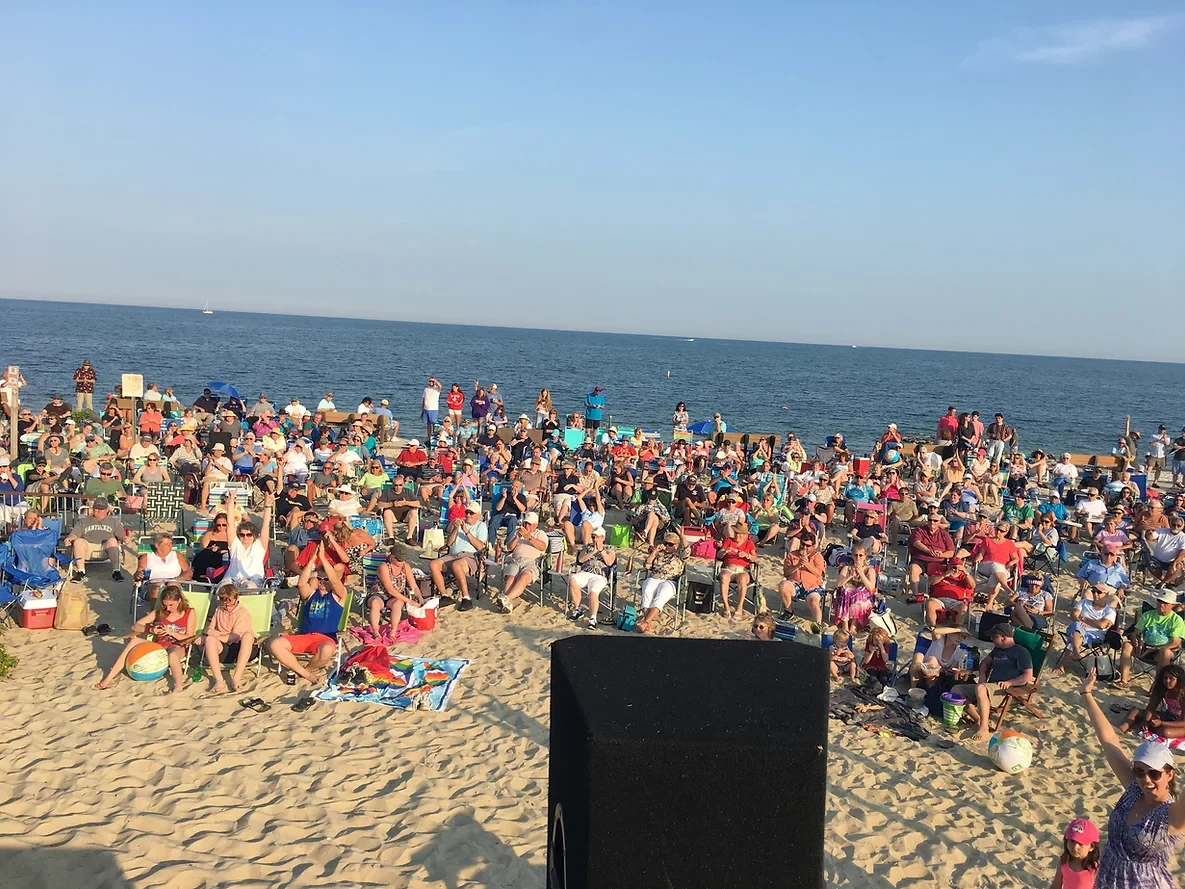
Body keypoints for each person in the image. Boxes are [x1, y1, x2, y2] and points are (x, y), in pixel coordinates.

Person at [1078, 669, 1185, 887]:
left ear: (1169, 774)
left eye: (1154, 773)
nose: (1146, 779)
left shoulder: (1171, 816)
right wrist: (1086, 694)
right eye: (1140, 771)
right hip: (1107, 881)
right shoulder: (1134, 790)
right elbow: (1108, 740)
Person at [95, 583, 196, 693]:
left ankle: (178, 686)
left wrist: (170, 632)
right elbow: (135, 626)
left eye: (171, 605)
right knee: (134, 640)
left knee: (172, 655)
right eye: (165, 605)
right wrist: (151, 629)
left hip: (177, 645)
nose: (167, 608)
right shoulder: (159, 613)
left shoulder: (189, 612)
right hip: (159, 646)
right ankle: (109, 678)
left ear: (179, 601)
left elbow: (190, 637)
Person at [952, 623, 1034, 741]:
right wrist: (982, 678)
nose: (991, 639)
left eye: (994, 636)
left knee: (981, 689)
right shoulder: (997, 650)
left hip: (1007, 691)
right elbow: (984, 664)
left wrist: (1010, 683)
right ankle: (979, 719)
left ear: (1004, 637)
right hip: (990, 688)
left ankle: (984, 728)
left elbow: (1028, 676)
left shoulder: (1021, 652)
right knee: (956, 690)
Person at [428, 501, 487, 611]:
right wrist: (455, 529)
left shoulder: (481, 526)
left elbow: (480, 546)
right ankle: (445, 596)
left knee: (457, 565)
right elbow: (449, 543)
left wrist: (466, 531)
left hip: (470, 556)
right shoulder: (459, 523)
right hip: (453, 555)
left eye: (471, 513)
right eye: (467, 512)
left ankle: (466, 598)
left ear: (478, 515)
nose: (468, 515)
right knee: (433, 564)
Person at [1117, 592, 1185, 687]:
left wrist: (1157, 649)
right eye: (1159, 601)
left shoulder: (1177, 620)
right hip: (1145, 647)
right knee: (1127, 645)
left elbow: (1176, 643)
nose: (1161, 604)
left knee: (1165, 652)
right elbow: (1136, 633)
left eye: (1165, 603)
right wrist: (1135, 639)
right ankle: (1123, 681)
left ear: (1172, 605)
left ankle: (1158, 686)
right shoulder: (1148, 615)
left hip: (1163, 651)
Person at [201, 583, 256, 694]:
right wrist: (215, 635)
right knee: (209, 639)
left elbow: (236, 636)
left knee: (248, 637)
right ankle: (219, 680)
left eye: (230, 602)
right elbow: (209, 629)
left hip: (241, 648)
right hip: (224, 648)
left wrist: (217, 635)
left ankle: (236, 678)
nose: (227, 606)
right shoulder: (219, 610)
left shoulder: (243, 612)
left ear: (237, 598)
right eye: (224, 603)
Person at [1053, 583, 1118, 674]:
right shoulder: (1084, 602)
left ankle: (1065, 663)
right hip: (1078, 630)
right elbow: (1073, 615)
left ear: (1106, 594)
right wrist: (1080, 622)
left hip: (1095, 636)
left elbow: (1102, 625)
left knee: (1074, 634)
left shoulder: (1110, 610)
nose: (1095, 594)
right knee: (1076, 626)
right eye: (1093, 591)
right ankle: (1076, 651)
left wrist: (1083, 619)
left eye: (1099, 592)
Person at [636, 529, 690, 634]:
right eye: (665, 543)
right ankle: (647, 623)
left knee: (662, 593)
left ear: (676, 545)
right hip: (655, 577)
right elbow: (647, 565)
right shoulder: (659, 554)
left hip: (670, 580)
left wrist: (682, 537)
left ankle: (646, 621)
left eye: (670, 544)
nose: (667, 546)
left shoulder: (679, 555)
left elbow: (687, 550)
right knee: (647, 590)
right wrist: (655, 551)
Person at [364, 545, 422, 639]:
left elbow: (414, 586)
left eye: (403, 559)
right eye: (400, 560)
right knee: (375, 603)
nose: (402, 562)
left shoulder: (406, 566)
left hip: (396, 597)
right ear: (392, 557)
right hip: (379, 594)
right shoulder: (384, 567)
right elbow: (390, 590)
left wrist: (420, 597)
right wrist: (409, 601)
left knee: (398, 603)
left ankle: (393, 631)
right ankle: (375, 631)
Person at [496, 511, 548, 613]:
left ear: (535, 525)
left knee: (523, 577)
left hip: (532, 561)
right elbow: (509, 547)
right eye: (525, 523)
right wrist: (517, 537)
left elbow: (542, 547)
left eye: (529, 524)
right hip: (516, 560)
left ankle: (506, 598)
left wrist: (529, 537)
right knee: (510, 577)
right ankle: (509, 603)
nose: (526, 526)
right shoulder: (518, 533)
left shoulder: (540, 533)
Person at [64, 496, 125, 582]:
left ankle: (116, 572)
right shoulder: (83, 521)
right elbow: (74, 534)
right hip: (87, 548)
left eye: (101, 509)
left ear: (107, 509)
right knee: (78, 541)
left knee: (113, 541)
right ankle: (81, 572)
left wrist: (125, 538)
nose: (97, 511)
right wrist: (69, 539)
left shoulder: (114, 521)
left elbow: (122, 536)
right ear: (93, 508)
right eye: (96, 508)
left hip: (105, 549)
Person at [567, 527, 617, 630]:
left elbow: (609, 562)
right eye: (593, 537)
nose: (594, 540)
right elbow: (580, 560)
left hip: (600, 575)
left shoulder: (609, 549)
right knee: (572, 579)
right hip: (586, 572)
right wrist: (593, 552)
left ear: (602, 538)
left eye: (596, 537)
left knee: (593, 592)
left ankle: (593, 619)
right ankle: (578, 609)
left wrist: (601, 551)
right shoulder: (588, 547)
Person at [1118, 665, 1185, 739]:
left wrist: (1161, 723)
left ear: (1179, 680)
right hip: (1168, 715)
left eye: (1171, 678)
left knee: (1166, 732)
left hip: (1181, 722)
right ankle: (1121, 729)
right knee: (1135, 711)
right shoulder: (1163, 689)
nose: (1167, 681)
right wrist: (1146, 721)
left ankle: (1157, 726)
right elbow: (1151, 707)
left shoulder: (1182, 694)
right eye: (1165, 678)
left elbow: (1183, 722)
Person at [223, 493, 273, 588]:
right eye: (242, 535)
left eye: (249, 535)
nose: (245, 537)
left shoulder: (259, 545)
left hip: (253, 581)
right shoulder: (235, 545)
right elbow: (230, 523)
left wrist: (268, 506)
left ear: (254, 536)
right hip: (232, 580)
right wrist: (231, 502)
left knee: (249, 586)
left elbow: (265, 526)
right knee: (223, 588)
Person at [777, 534, 826, 625]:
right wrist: (798, 565)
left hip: (812, 586)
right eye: (803, 544)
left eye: (808, 545)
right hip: (796, 584)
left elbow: (819, 573)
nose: (804, 547)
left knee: (813, 602)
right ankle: (788, 611)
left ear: (813, 546)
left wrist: (807, 564)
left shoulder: (817, 556)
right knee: (783, 585)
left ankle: (818, 625)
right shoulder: (792, 555)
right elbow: (786, 573)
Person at [134, 532, 192, 604]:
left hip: (173, 584)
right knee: (158, 587)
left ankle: (173, 613)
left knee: (173, 585)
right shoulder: (146, 557)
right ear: (157, 545)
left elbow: (188, 571)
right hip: (151, 586)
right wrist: (139, 575)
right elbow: (138, 573)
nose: (170, 546)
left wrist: (180, 578)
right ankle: (156, 613)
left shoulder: (177, 555)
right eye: (167, 544)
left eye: (171, 543)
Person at [908, 511, 955, 598]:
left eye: (935, 521)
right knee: (914, 568)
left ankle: (937, 594)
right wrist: (929, 551)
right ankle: (915, 594)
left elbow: (951, 552)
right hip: (921, 559)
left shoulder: (944, 534)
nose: (932, 522)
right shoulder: (920, 530)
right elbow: (916, 542)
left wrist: (941, 555)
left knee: (944, 573)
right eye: (930, 520)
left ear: (939, 522)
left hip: (938, 561)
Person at [832, 548, 877, 634]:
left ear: (865, 557)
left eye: (861, 555)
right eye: (855, 555)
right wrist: (850, 576)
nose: (858, 558)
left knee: (858, 594)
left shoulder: (870, 570)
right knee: (846, 592)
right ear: (852, 556)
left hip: (863, 598)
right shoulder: (847, 568)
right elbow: (838, 584)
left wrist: (861, 573)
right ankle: (845, 624)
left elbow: (871, 588)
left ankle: (854, 624)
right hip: (847, 596)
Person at [717, 525, 757, 619]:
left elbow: (755, 559)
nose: (737, 536)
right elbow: (719, 555)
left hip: (742, 570)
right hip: (728, 568)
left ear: (745, 535)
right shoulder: (728, 541)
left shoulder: (749, 543)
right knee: (724, 577)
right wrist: (725, 551)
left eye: (739, 534)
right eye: (736, 533)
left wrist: (747, 556)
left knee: (742, 578)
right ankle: (726, 607)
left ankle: (739, 607)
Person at [1048, 818, 1100, 889]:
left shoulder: (1095, 869)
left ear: (1091, 847)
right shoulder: (1063, 863)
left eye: (1080, 844)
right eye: (1072, 841)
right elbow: (1055, 886)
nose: (1075, 847)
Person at [925, 558, 975, 629]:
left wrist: (966, 572)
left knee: (963, 607)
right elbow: (930, 582)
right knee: (930, 603)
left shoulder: (963, 576)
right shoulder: (941, 572)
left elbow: (972, 586)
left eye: (958, 567)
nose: (955, 569)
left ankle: (957, 628)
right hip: (939, 599)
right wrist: (944, 575)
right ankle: (932, 626)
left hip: (956, 602)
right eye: (953, 566)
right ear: (948, 565)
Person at [1147, 514, 1185, 589]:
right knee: (1151, 567)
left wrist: (1174, 563)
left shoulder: (1183, 537)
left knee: (1178, 565)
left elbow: (1183, 552)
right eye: (1173, 525)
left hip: (1172, 561)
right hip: (1157, 559)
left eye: (1178, 525)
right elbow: (1151, 537)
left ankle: (1162, 583)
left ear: (1182, 527)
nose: (1175, 527)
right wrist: (1148, 534)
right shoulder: (1161, 531)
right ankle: (1165, 582)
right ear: (1170, 524)